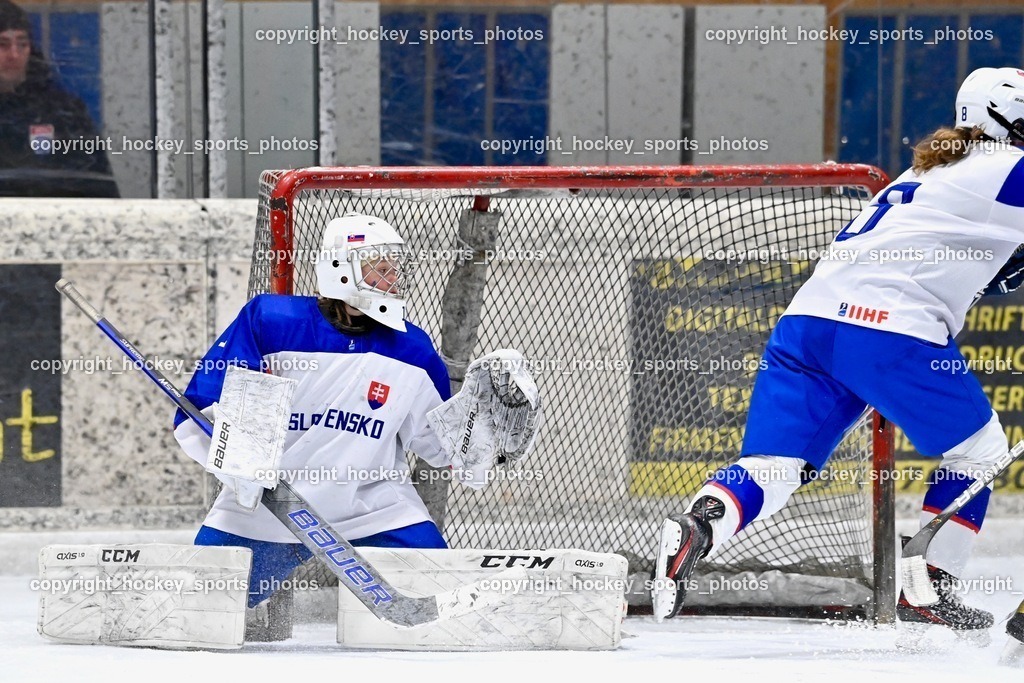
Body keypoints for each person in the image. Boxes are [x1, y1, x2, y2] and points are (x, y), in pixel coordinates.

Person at [652, 67, 1024, 631]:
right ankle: (929, 585)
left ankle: (700, 523)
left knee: (774, 466)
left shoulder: (933, 170)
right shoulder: (1005, 167)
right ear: (1001, 120)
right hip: (887, 327)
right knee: (978, 450)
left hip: (807, 325)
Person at [173, 214, 454, 620]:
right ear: (340, 267)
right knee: (199, 613)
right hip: (268, 507)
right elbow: (197, 413)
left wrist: (484, 435)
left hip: (375, 509)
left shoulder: (413, 349)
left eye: (395, 266)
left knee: (442, 613)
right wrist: (235, 456)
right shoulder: (270, 321)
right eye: (380, 265)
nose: (393, 276)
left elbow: (441, 447)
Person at [0, 0, 118, 197]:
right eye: (2, 44)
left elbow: (99, 193)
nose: (14, 55)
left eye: (22, 44)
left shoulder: (60, 111)